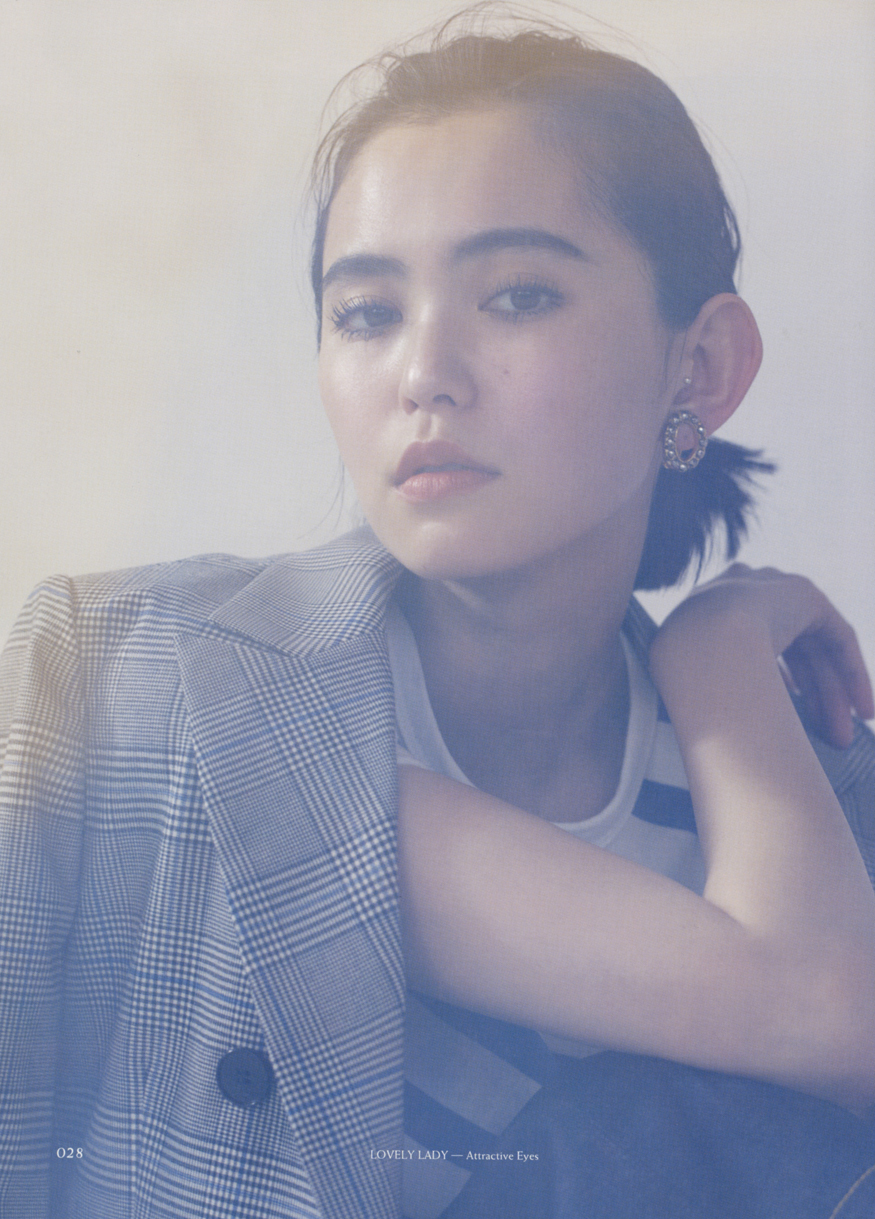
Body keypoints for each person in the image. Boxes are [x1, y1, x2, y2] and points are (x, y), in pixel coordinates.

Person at [1, 8, 874, 1219]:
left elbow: (838, 1020)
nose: (423, 374)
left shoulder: (807, 807)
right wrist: (720, 645)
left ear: (702, 367)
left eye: (516, 296)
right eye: (367, 312)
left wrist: (715, 661)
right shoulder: (120, 681)